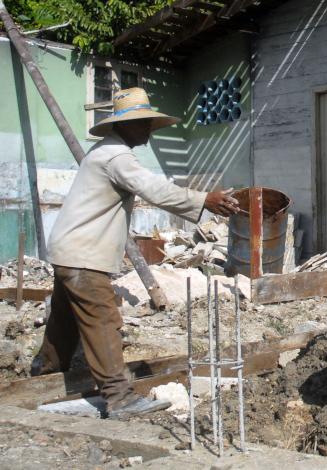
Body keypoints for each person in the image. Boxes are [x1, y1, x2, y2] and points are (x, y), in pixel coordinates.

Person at [36, 87, 240, 418]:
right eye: (142, 123)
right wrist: (203, 200)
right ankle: (120, 397)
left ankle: (42, 377)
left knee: (65, 323)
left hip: (70, 252)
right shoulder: (117, 156)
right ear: (124, 125)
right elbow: (152, 188)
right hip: (83, 257)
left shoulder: (106, 152)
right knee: (103, 319)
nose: (147, 130)